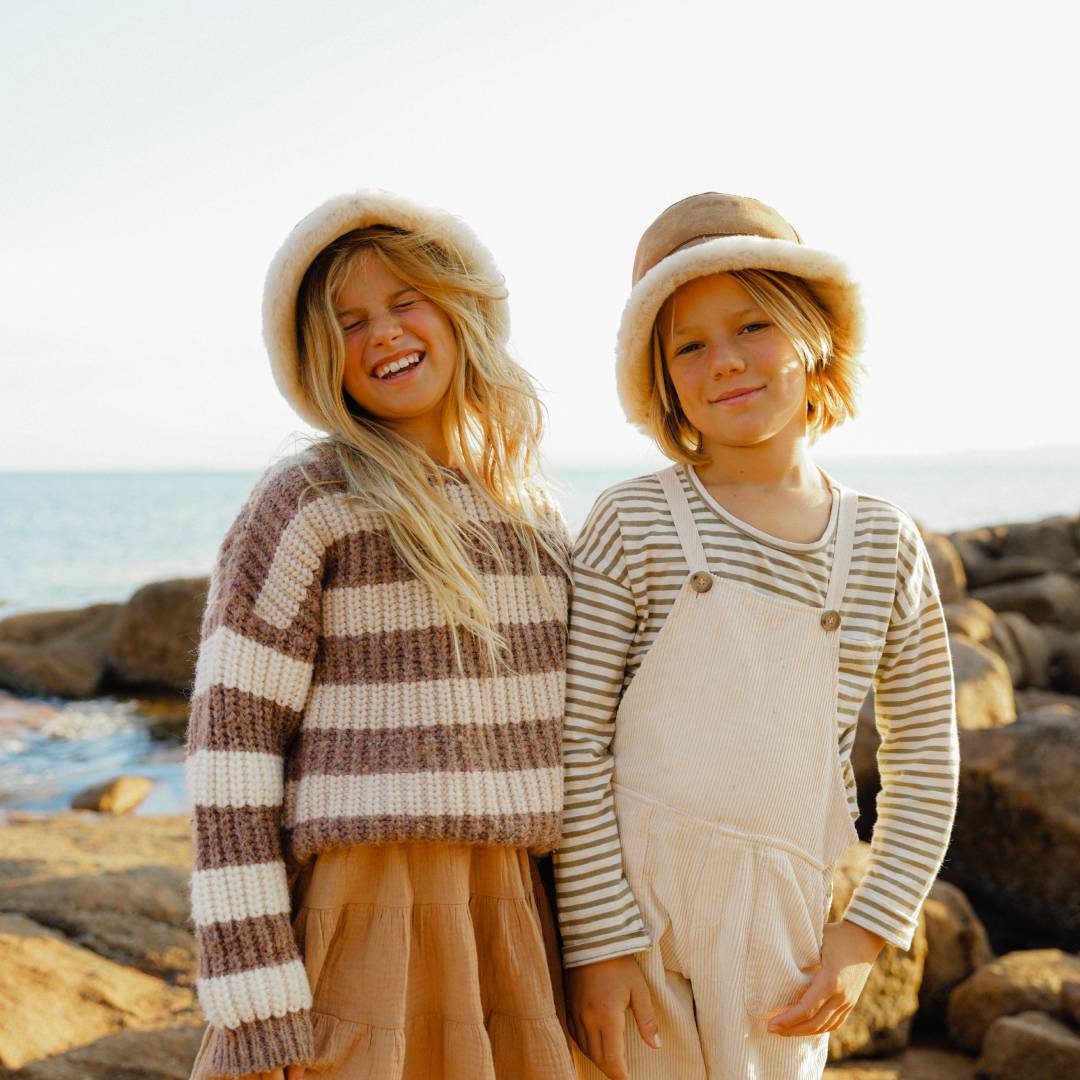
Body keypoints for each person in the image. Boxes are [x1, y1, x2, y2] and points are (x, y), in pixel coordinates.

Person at [553, 192, 959, 1079]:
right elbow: (575, 742)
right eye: (687, 345)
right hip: (629, 912)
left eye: (752, 326)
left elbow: (925, 759)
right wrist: (597, 941)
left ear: (813, 334)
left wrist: (860, 937)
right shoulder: (634, 521)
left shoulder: (884, 545)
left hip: (780, 933)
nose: (724, 362)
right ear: (661, 379)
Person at [186, 190, 576, 1080]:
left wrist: (599, 940)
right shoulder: (307, 503)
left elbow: (584, 750)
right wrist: (251, 998)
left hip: (514, 919)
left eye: (406, 302)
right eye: (350, 322)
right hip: (359, 917)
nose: (384, 335)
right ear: (321, 356)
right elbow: (231, 755)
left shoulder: (538, 519)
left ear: (461, 308)